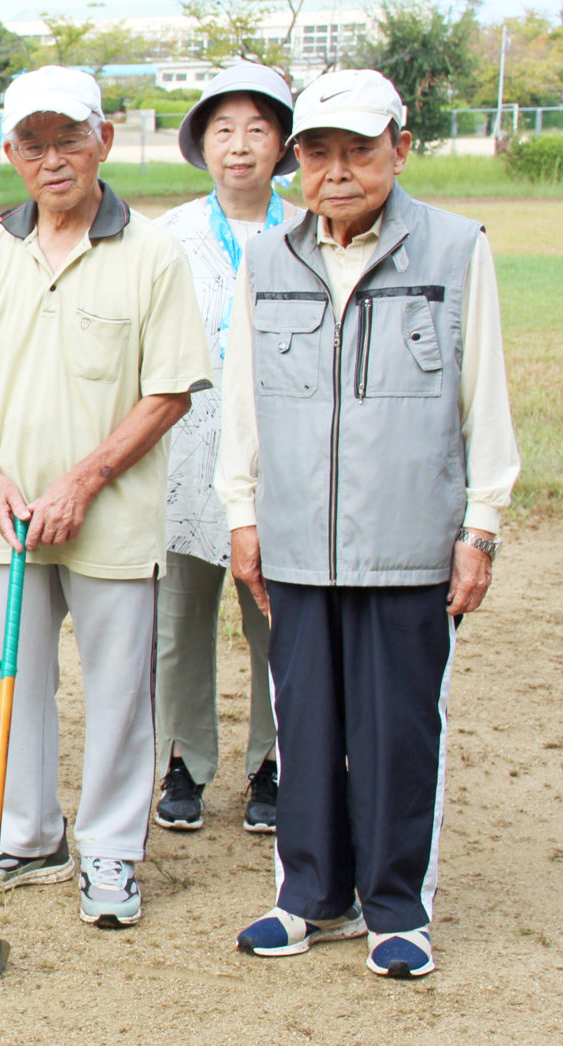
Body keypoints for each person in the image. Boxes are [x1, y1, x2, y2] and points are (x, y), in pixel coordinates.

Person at [220, 69, 518, 979]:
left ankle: (396, 909)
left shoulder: (457, 248)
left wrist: (480, 527)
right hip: (296, 540)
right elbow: (244, 401)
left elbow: (484, 397)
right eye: (318, 153)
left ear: (401, 147)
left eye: (359, 149)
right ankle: (309, 896)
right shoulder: (269, 257)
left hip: (410, 541)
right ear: (295, 162)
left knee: (397, 734)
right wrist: (242, 513)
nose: (338, 171)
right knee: (304, 724)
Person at [0, 65, 210, 930]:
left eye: (69, 138)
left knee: (120, 687)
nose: (52, 159)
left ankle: (112, 849)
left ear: (104, 141)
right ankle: (27, 835)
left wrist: (83, 481)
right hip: (11, 519)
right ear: (12, 154)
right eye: (33, 143)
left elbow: (169, 392)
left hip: (113, 521)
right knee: (15, 680)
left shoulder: (153, 253)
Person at [150, 63, 305, 835]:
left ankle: (274, 762)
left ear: (283, 145)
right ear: (202, 144)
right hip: (184, 454)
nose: (239, 146)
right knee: (180, 622)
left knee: (278, 620)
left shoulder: (309, 229)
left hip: (282, 460)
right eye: (223, 130)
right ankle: (185, 759)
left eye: (257, 129)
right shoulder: (165, 237)